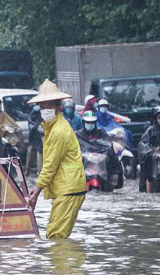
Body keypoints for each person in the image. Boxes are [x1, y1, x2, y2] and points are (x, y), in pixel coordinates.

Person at [27, 79, 87, 239]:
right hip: (65, 188)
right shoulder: (51, 128)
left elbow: (50, 165)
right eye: (43, 107)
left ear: (58, 108)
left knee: (56, 237)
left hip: (68, 189)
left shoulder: (59, 131)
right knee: (56, 236)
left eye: (49, 107)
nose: (45, 110)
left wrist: (37, 191)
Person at [76, 110, 122, 191]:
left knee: (115, 161)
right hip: (83, 162)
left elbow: (108, 144)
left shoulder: (101, 132)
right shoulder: (78, 135)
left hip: (101, 161)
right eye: (88, 122)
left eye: (92, 122)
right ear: (83, 122)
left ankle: (113, 180)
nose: (90, 125)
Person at [25, 103, 43, 176]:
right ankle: (26, 169)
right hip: (33, 136)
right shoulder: (31, 115)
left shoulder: (42, 113)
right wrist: (36, 126)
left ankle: (40, 171)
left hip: (41, 135)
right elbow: (31, 125)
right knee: (29, 151)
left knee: (40, 152)